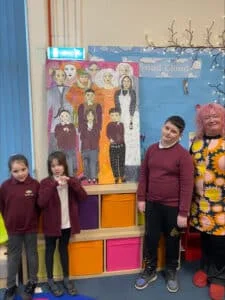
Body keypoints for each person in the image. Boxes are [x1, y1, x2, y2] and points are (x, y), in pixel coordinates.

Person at [134, 116, 194, 293]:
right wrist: (141, 198)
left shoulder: (183, 156)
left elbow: (187, 185)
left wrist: (183, 212)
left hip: (173, 209)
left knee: (172, 239)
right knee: (151, 238)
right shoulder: (152, 150)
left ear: (179, 135)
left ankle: (170, 271)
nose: (169, 133)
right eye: (167, 128)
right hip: (152, 205)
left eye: (174, 131)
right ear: (163, 127)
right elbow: (144, 175)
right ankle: (150, 270)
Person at [38, 151, 87, 296]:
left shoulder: (71, 180)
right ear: (50, 168)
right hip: (51, 225)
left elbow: (83, 197)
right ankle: (50, 280)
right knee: (49, 251)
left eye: (59, 164)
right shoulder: (46, 182)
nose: (56, 168)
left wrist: (72, 182)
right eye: (53, 166)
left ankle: (66, 279)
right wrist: (54, 184)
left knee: (63, 250)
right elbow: (41, 203)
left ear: (64, 165)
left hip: (67, 224)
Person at [190, 103, 225, 300]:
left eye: (216, 116)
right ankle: (204, 268)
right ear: (201, 121)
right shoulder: (195, 143)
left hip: (222, 205)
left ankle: (219, 277)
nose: (211, 120)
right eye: (207, 117)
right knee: (205, 238)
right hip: (201, 204)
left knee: (220, 241)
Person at [0, 154, 40, 300]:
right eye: (16, 171)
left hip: (31, 228)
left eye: (23, 169)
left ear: (28, 168)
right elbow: (2, 207)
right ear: (10, 171)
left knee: (32, 255)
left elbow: (39, 206)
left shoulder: (35, 184)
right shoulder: (5, 186)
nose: (20, 173)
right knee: (13, 257)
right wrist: (10, 222)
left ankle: (32, 282)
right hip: (13, 229)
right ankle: (11, 286)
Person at [106, 108, 126, 184]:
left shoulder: (121, 125)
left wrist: (118, 125)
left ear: (119, 116)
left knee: (121, 161)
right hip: (113, 146)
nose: (114, 117)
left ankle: (122, 175)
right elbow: (108, 134)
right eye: (112, 115)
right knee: (113, 162)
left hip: (121, 146)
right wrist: (110, 138)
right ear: (110, 116)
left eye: (116, 115)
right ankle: (116, 176)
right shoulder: (109, 125)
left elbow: (121, 133)